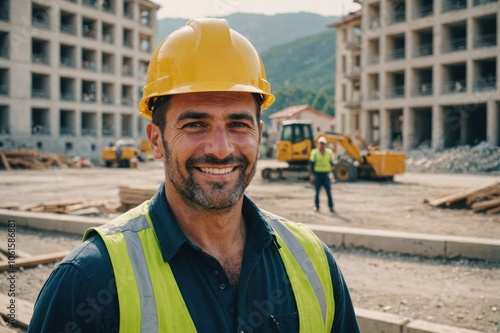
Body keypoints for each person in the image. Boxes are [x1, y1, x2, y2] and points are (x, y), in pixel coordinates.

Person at [28, 18, 359, 332]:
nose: (219, 148)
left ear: (259, 133)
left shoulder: (314, 262)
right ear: (156, 139)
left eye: (238, 125)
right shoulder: (88, 282)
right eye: (195, 124)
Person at [309, 136, 335, 213]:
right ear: (318, 144)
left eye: (323, 144)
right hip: (317, 174)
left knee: (328, 192)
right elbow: (312, 164)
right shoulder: (314, 152)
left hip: (326, 174)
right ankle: (317, 206)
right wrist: (312, 174)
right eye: (320, 144)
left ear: (325, 144)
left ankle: (331, 207)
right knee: (317, 192)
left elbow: (332, 163)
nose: (322, 145)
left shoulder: (329, 152)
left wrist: (331, 173)